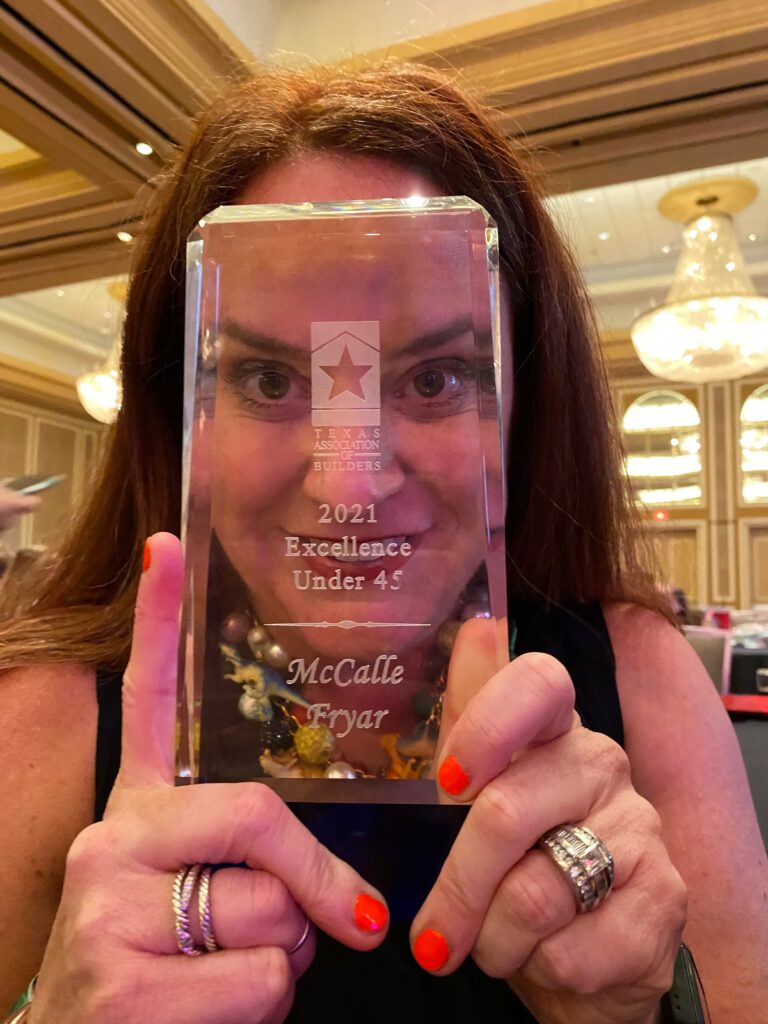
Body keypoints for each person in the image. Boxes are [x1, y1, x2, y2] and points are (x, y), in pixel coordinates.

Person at [0, 62, 765, 1024]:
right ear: (179, 409)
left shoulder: (643, 683)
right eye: (269, 381)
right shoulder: (43, 725)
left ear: (525, 400)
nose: (350, 487)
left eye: (436, 378)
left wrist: (640, 1011)